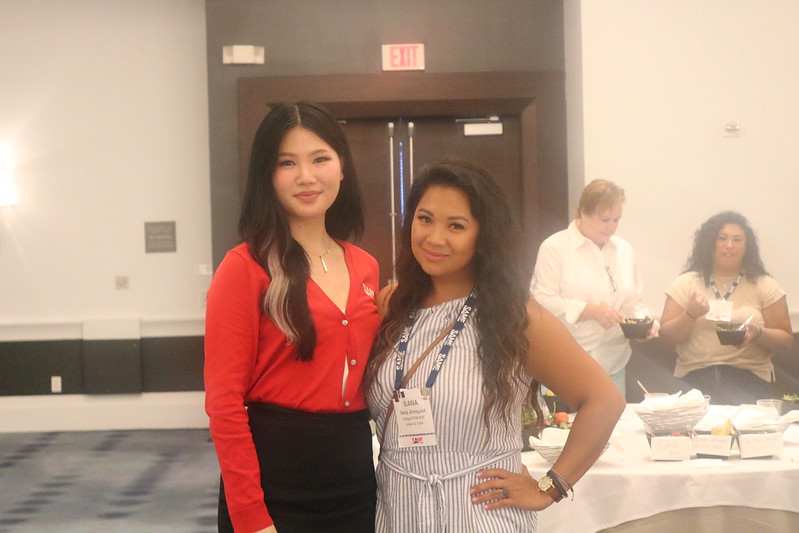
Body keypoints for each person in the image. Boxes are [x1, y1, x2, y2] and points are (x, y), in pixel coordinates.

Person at [364, 159, 625, 532]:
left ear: (483, 235)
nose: (434, 238)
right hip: (399, 510)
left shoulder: (515, 316)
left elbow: (604, 399)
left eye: (456, 225)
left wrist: (551, 487)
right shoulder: (391, 304)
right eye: (425, 219)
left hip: (478, 514)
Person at [204, 101, 380, 533]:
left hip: (354, 473)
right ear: (267, 175)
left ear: (342, 168)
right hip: (275, 482)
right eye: (287, 163)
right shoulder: (244, 266)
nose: (306, 176)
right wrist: (249, 516)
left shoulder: (365, 265)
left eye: (320, 159)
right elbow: (224, 404)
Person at [531, 179, 657, 398]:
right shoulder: (556, 247)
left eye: (616, 220)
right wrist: (589, 310)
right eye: (605, 219)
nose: (611, 227)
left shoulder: (624, 250)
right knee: (562, 429)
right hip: (565, 359)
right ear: (582, 212)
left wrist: (645, 323)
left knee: (614, 429)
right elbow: (540, 300)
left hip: (614, 360)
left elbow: (634, 301)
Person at [658, 211, 793, 405]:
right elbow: (667, 337)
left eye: (737, 240)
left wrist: (758, 332)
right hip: (694, 381)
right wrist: (690, 314)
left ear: (747, 247)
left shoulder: (765, 285)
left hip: (751, 381)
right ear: (709, 243)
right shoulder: (686, 283)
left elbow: (785, 340)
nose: (729, 245)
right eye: (722, 239)